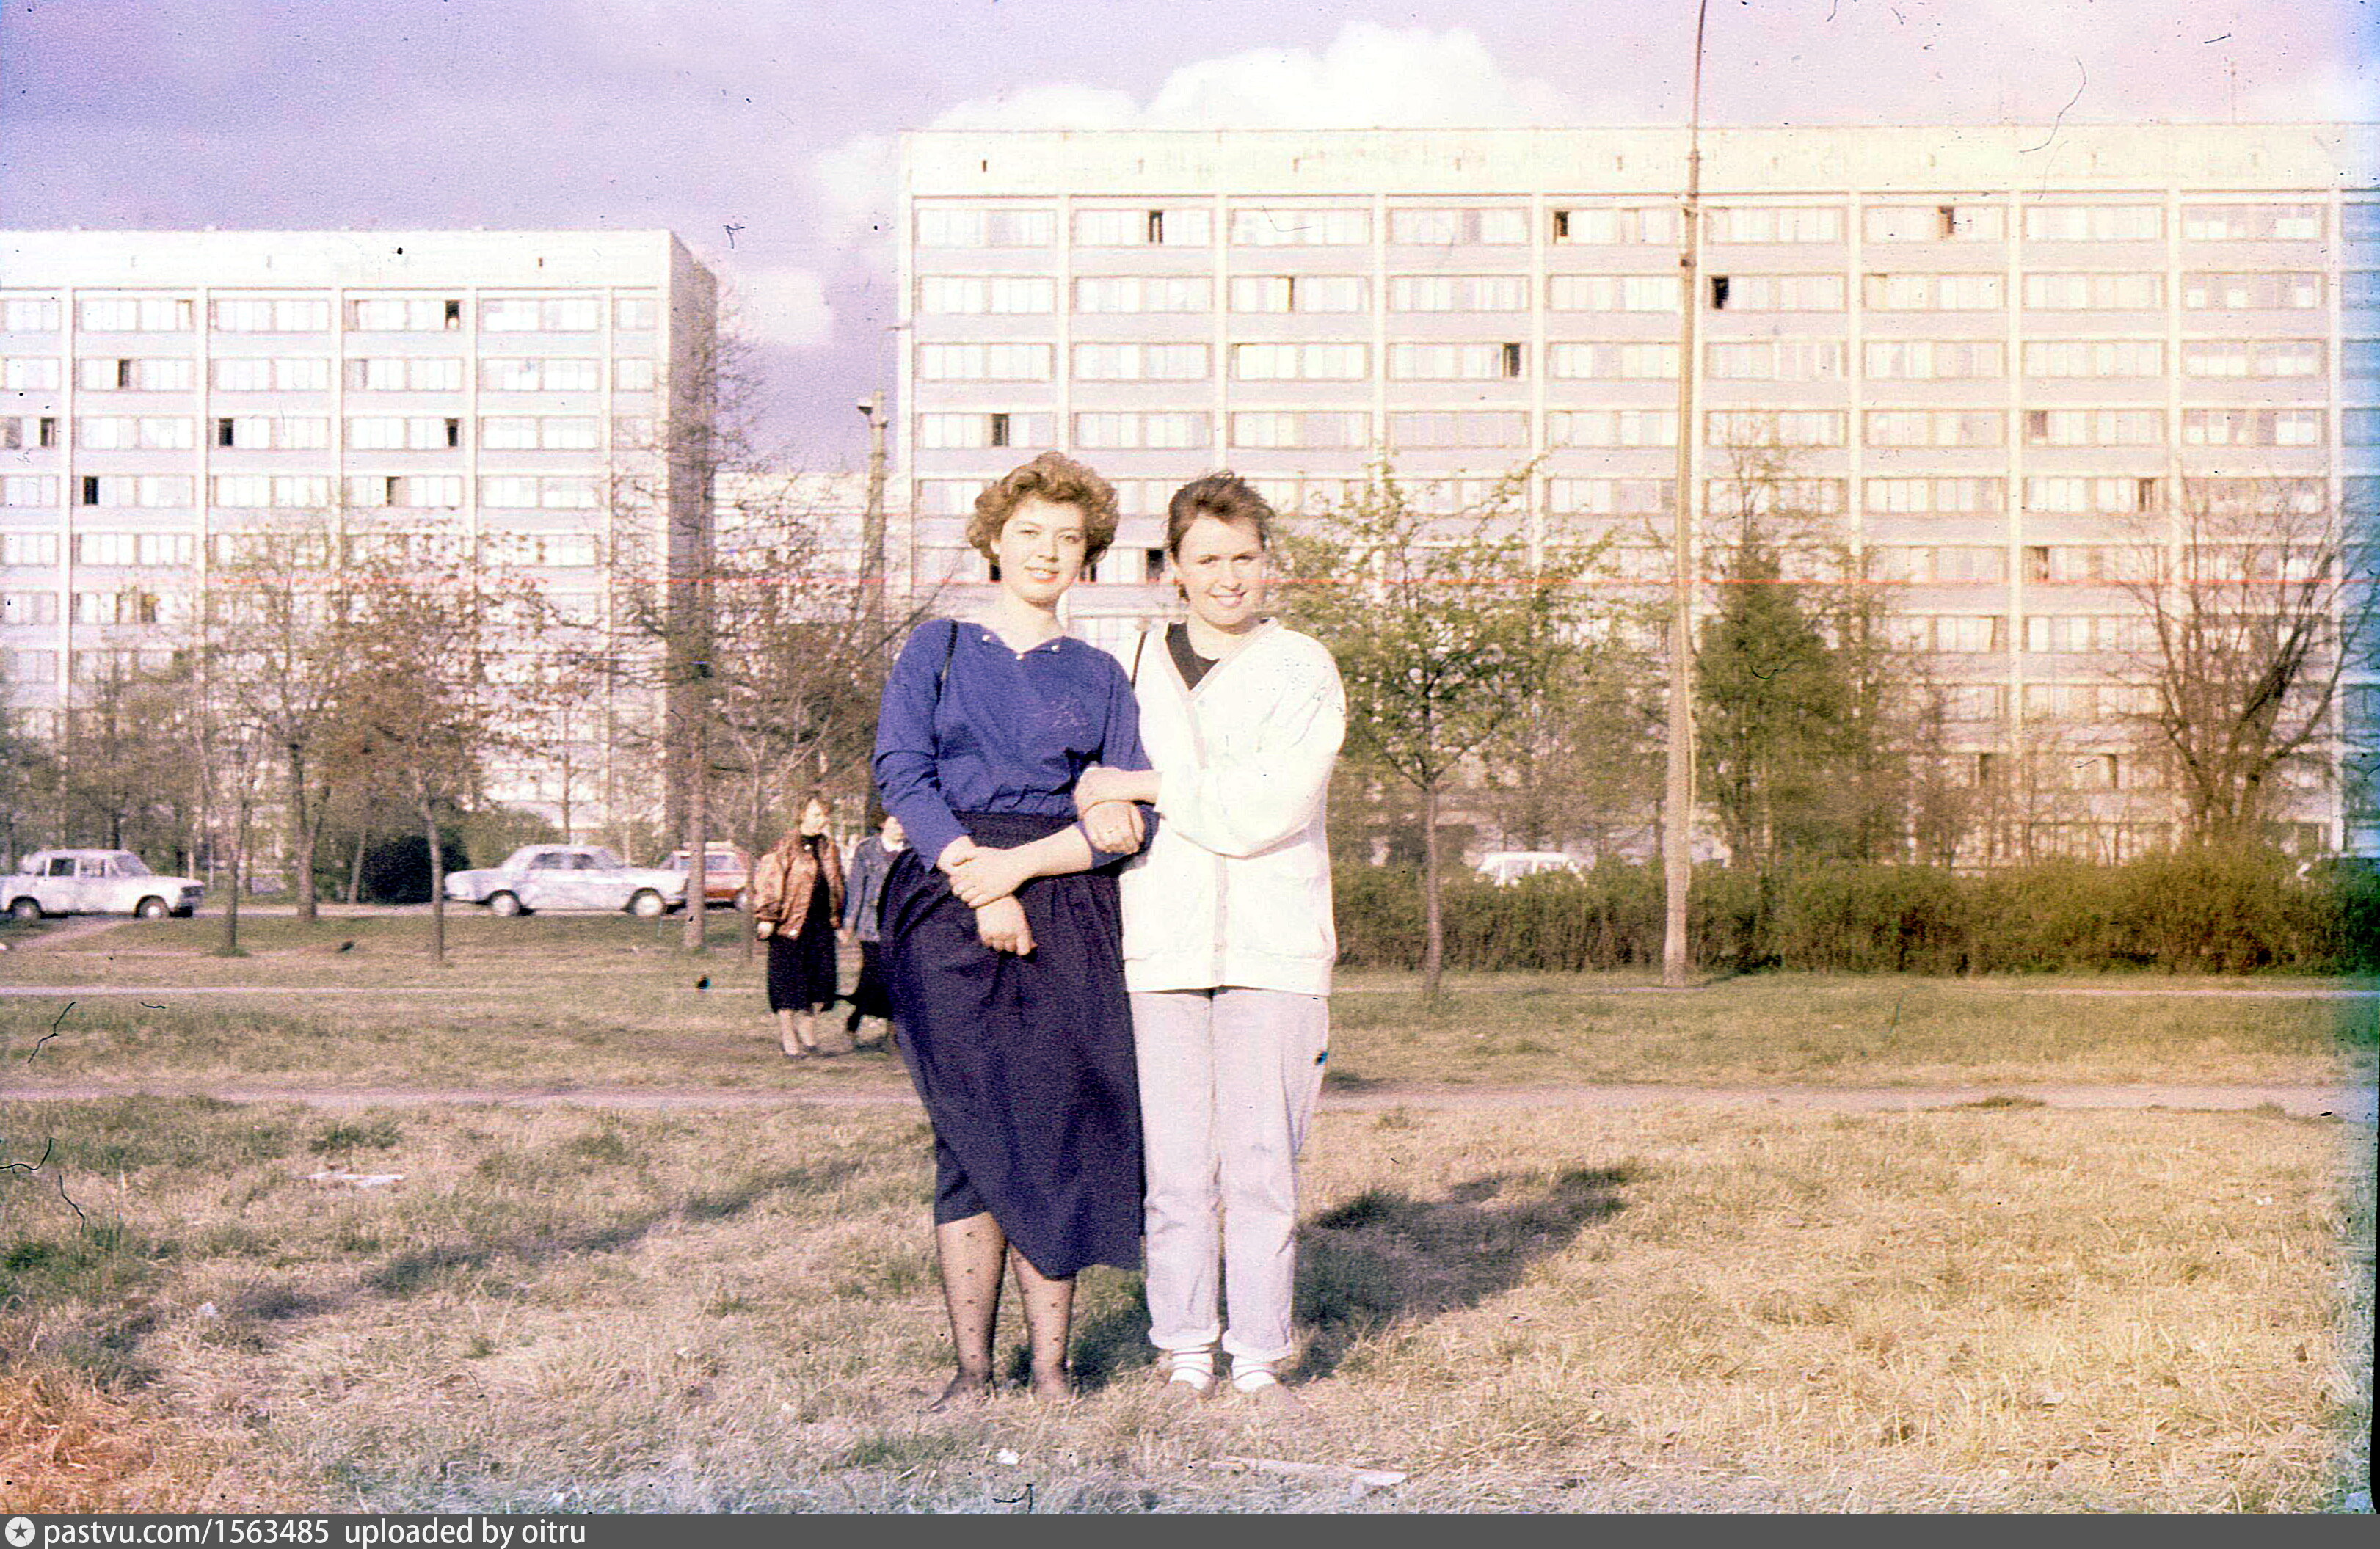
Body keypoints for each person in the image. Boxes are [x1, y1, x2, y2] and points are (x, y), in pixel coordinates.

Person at [873, 450, 1154, 1408]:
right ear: (992, 540)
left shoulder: (1101, 673)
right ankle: (971, 1370)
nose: (1046, 551)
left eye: (1067, 538)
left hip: (1065, 904)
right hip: (944, 898)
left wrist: (1035, 864)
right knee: (969, 1127)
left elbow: (1128, 817)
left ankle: (1051, 1370)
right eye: (1028, 532)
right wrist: (977, 879)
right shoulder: (938, 648)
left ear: (1088, 555)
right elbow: (901, 771)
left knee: (1052, 1122)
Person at [1073, 473, 1346, 1415]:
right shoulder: (1132, 661)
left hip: (1275, 948)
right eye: (1207, 558)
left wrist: (1149, 786)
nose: (1229, 576)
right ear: (1174, 569)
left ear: (1267, 564)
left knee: (1263, 1164)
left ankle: (1260, 1353)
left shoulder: (1302, 666)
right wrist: (1103, 799)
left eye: (1245, 557)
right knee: (1177, 1168)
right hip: (1163, 946)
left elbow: (1270, 805)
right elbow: (1089, 782)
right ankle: (1185, 1346)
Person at [750, 791, 845, 1060]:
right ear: (802, 814)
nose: (822, 820)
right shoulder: (785, 846)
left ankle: (809, 1035)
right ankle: (788, 1036)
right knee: (789, 984)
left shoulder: (829, 847)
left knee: (820, 983)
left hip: (821, 924)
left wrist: (838, 918)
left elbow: (837, 884)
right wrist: (767, 916)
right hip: (790, 925)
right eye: (816, 814)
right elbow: (770, 881)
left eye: (825, 815)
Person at [839, 811, 906, 1049]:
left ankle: (893, 1033)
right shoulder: (867, 850)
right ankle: (854, 1022)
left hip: (902, 928)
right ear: (882, 823)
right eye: (896, 822)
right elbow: (856, 888)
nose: (901, 827)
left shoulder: (913, 851)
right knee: (872, 978)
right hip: (872, 927)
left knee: (899, 981)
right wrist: (849, 924)